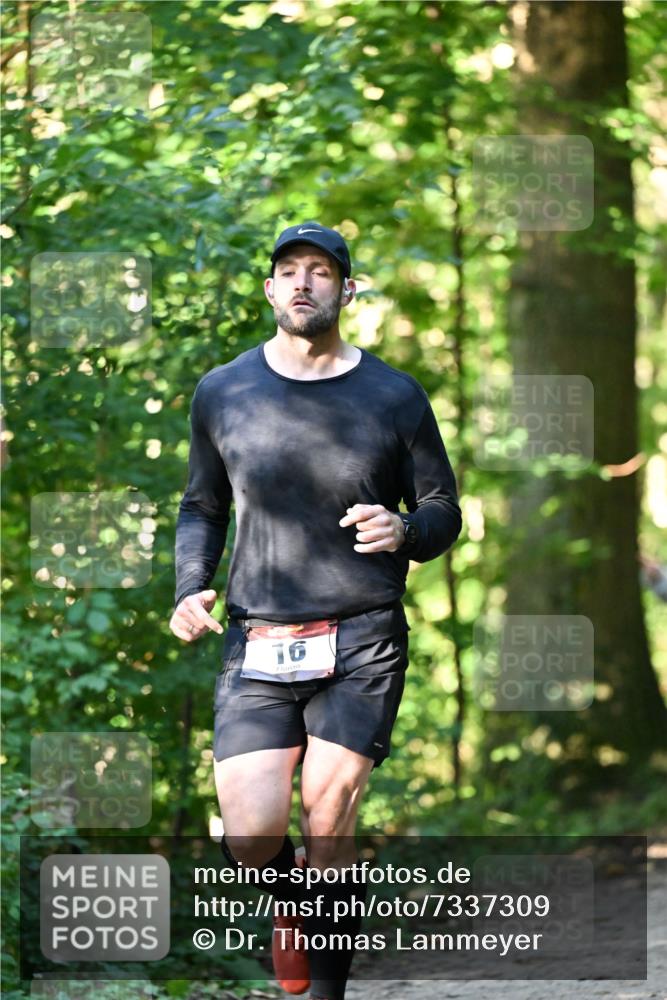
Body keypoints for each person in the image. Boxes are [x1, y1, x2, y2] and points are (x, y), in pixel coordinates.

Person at [170, 222, 462, 999]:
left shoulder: (393, 395)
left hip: (361, 632)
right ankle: (296, 907)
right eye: (289, 271)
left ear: (346, 289)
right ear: (269, 289)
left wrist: (404, 528)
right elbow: (201, 504)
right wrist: (189, 585)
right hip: (257, 635)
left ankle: (325, 994)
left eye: (321, 271)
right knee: (249, 833)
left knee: (329, 816)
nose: (304, 282)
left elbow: (442, 508)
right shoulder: (223, 390)